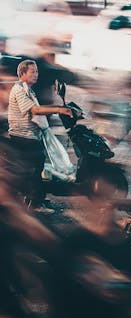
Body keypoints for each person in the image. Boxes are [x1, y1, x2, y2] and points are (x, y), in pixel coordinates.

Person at [8, 59, 72, 214]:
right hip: (24, 137)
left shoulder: (29, 90)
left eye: (37, 71)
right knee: (36, 168)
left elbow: (38, 108)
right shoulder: (18, 90)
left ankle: (36, 198)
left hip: (30, 135)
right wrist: (59, 110)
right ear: (22, 73)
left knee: (38, 166)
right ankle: (35, 203)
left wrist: (61, 108)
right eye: (32, 71)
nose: (36, 74)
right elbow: (35, 110)